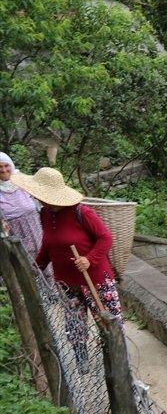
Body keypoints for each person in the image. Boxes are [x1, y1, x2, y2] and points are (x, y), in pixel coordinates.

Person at [13, 167, 123, 359]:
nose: (36, 198)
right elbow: (48, 246)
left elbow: (105, 238)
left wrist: (89, 259)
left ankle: (116, 358)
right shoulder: (45, 214)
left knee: (107, 323)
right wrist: (35, 267)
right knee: (74, 324)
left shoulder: (82, 212)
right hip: (66, 282)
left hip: (95, 280)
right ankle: (82, 359)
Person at [0, 153, 42, 256]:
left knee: (45, 258)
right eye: (0, 167)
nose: (4, 170)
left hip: (36, 228)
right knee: (26, 265)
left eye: (6, 165)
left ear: (11, 165)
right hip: (14, 234)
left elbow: (41, 196)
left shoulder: (22, 180)